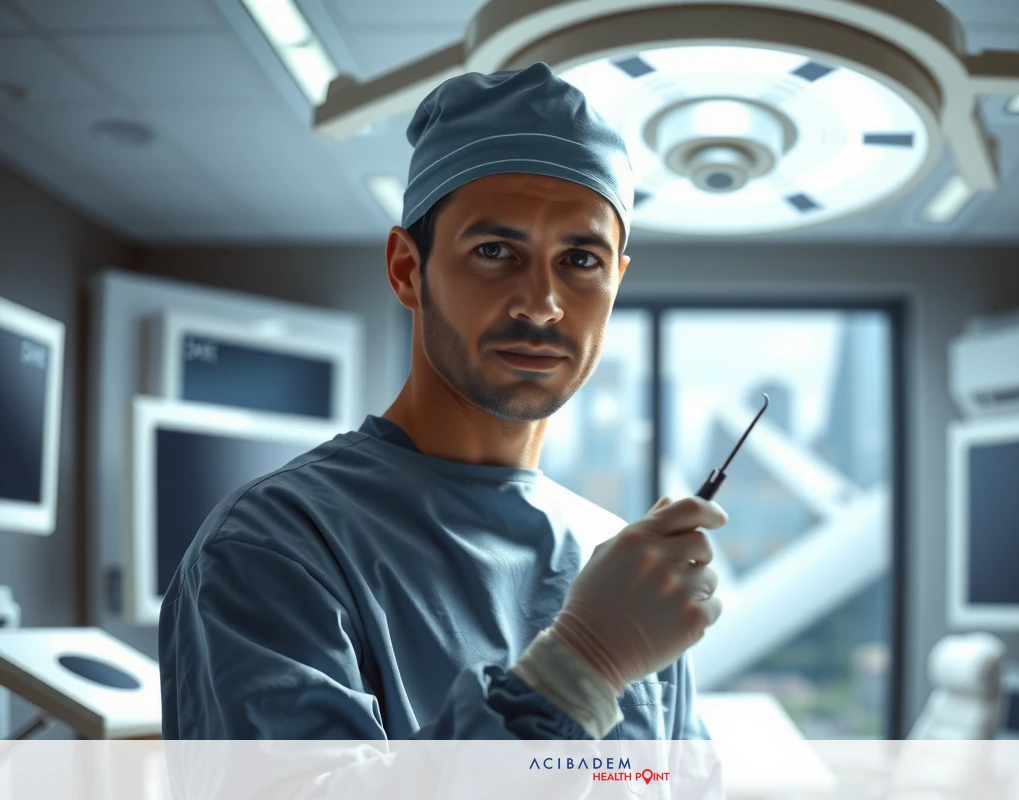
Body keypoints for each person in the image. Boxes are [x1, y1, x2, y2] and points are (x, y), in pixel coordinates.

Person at [159, 62, 727, 741]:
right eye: (495, 250)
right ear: (407, 269)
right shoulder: (274, 547)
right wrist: (580, 670)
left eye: (581, 260)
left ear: (616, 281)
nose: (542, 305)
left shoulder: (619, 570)